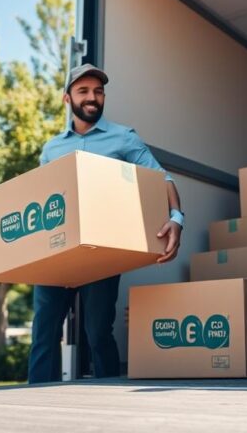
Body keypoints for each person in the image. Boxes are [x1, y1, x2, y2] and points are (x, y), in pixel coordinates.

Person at [27, 63, 183, 383]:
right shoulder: (51, 149)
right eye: (83, 91)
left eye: (98, 91)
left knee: (98, 333)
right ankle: (35, 403)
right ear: (67, 98)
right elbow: (36, 198)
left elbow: (161, 179)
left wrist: (176, 218)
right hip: (55, 253)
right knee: (44, 334)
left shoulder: (123, 138)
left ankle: (109, 396)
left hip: (102, 250)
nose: (92, 97)